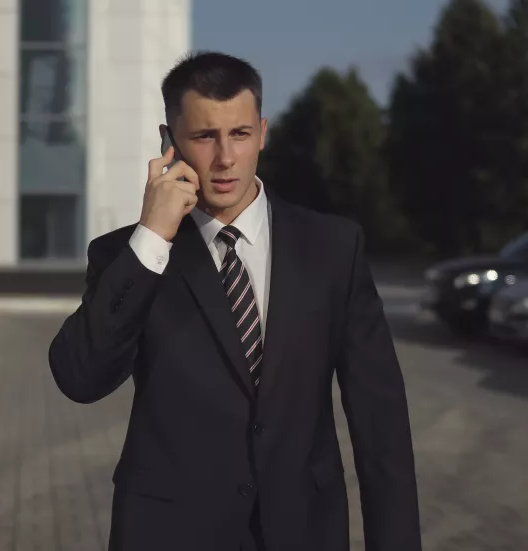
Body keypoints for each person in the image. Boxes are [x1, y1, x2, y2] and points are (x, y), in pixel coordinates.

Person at [48, 51, 422, 551]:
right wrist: (154, 236)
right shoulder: (126, 256)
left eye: (240, 135)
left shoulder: (333, 248)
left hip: (304, 530)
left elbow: (382, 424)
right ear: (168, 141)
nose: (225, 158)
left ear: (262, 133)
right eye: (204, 137)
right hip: (169, 534)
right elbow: (80, 377)